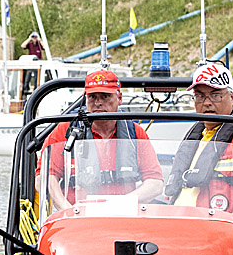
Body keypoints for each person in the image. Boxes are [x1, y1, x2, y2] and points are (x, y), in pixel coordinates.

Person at [35, 69, 163, 212]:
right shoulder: (65, 131)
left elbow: (155, 183)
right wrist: (67, 210)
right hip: (76, 219)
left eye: (105, 96)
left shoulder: (135, 133)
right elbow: (44, 178)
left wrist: (123, 203)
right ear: (85, 99)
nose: (98, 103)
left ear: (119, 98)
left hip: (124, 216)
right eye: (92, 97)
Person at [164, 62, 233, 212]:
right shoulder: (194, 138)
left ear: (232, 98)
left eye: (215, 95)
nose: (207, 103)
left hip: (217, 228)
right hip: (179, 223)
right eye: (200, 96)